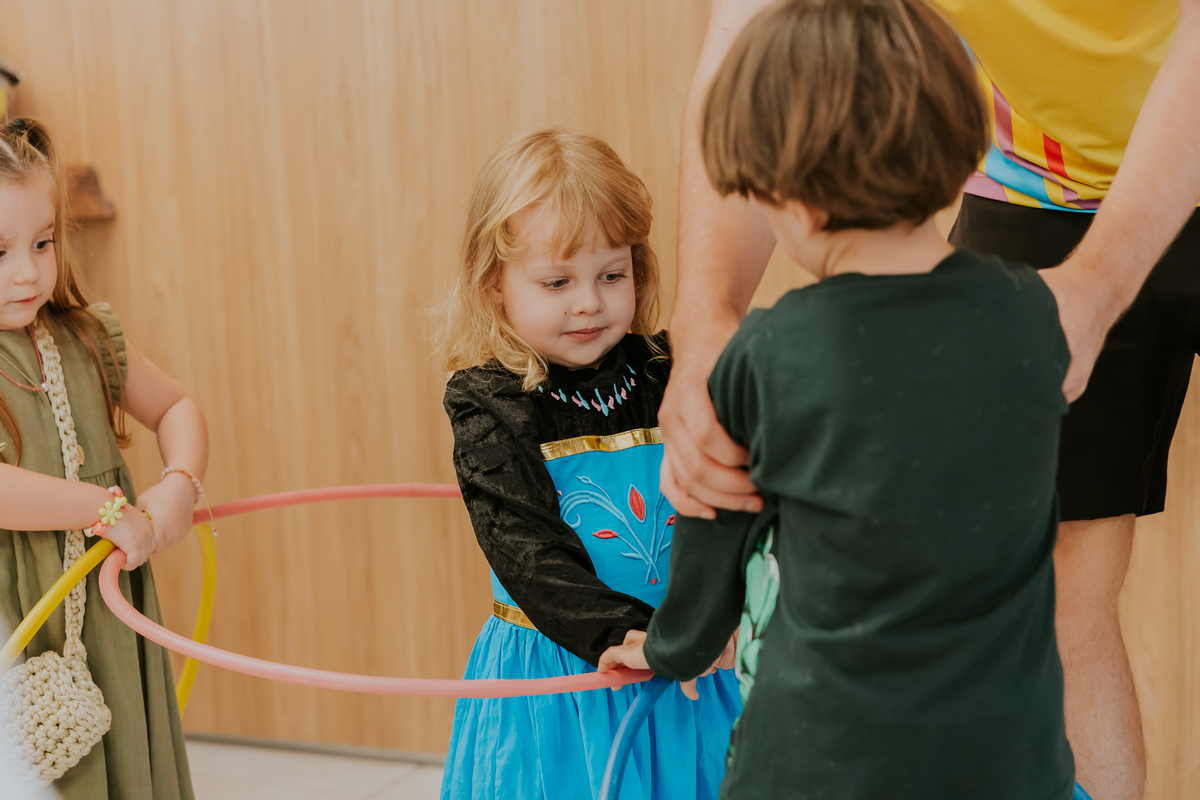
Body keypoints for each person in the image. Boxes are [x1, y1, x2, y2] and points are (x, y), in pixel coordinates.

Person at [660, 1, 1200, 797]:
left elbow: (712, 548)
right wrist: (705, 307)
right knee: (1069, 583)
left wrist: (674, 644)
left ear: (795, 202)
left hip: (814, 764)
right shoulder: (1020, 317)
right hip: (1046, 184)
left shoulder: (768, 352)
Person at [437, 128, 741, 800]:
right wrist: (624, 633)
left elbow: (725, 494)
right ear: (494, 285)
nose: (588, 302)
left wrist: (715, 610)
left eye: (612, 274)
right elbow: (526, 550)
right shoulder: (489, 401)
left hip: (683, 660)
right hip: (564, 676)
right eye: (556, 281)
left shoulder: (667, 370)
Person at [0, 118, 207, 797]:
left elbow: (177, 407)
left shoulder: (88, 338)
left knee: (126, 755)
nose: (27, 271)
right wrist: (104, 505)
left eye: (42, 242)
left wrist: (179, 483)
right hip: (20, 615)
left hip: (109, 607)